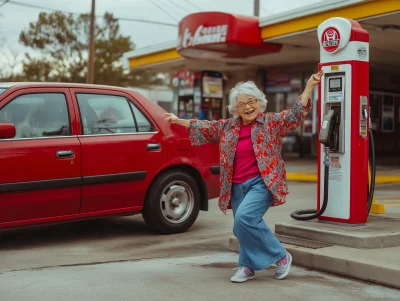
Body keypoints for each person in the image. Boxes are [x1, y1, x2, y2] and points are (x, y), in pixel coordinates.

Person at [165, 70, 323, 283]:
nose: (248, 107)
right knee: (242, 225)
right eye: (242, 104)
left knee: (244, 219)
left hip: (262, 183)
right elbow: (204, 127)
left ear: (259, 102)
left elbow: (294, 115)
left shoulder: (270, 123)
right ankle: (247, 266)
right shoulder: (228, 127)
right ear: (235, 109)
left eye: (251, 102)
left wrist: (309, 86)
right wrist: (177, 120)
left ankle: (281, 256)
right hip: (236, 186)